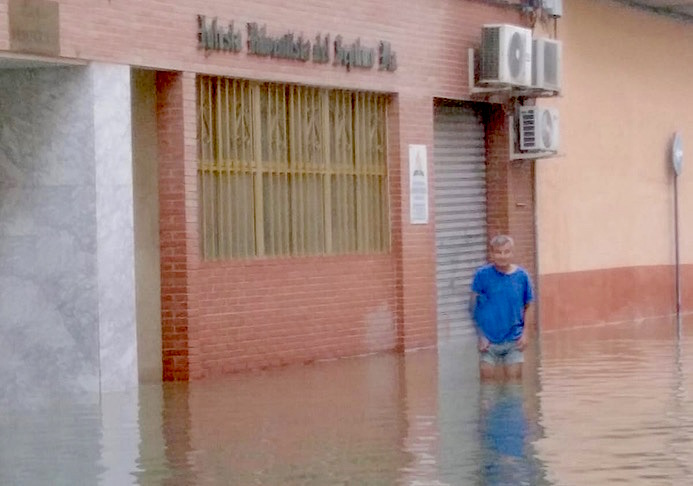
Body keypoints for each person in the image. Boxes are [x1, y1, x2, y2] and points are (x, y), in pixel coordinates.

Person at [470, 235, 534, 381]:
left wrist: (525, 333)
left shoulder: (522, 277)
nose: (502, 256)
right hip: (488, 341)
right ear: (492, 254)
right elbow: (473, 306)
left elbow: (529, 305)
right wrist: (480, 335)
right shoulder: (482, 275)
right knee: (487, 387)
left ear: (512, 253)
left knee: (514, 385)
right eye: (498, 252)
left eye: (506, 252)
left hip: (514, 339)